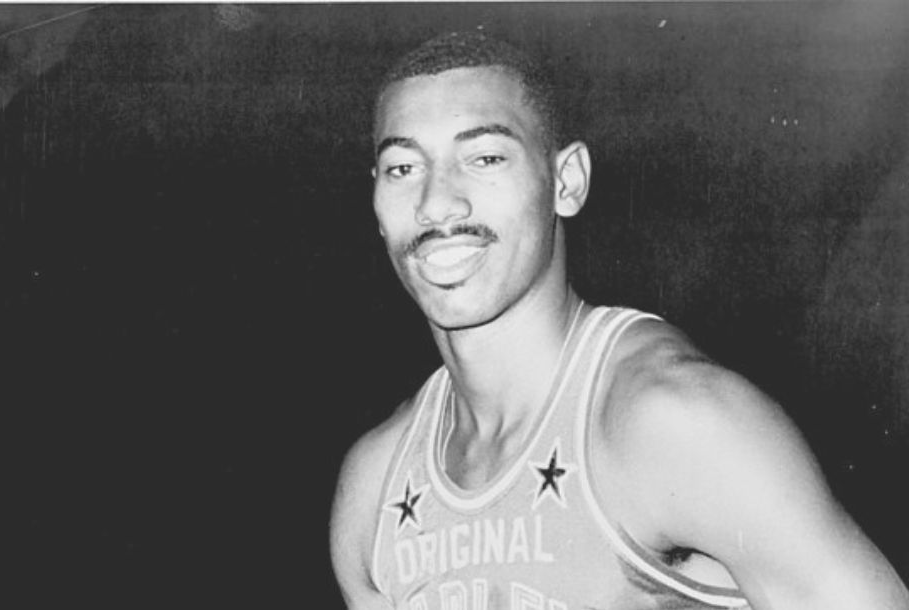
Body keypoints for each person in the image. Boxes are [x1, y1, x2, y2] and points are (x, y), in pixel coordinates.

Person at [329, 31, 909, 610]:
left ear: (566, 182)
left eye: (484, 158)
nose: (436, 204)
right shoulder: (374, 486)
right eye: (402, 167)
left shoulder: (673, 420)